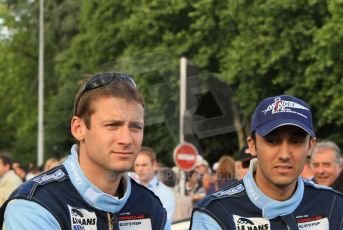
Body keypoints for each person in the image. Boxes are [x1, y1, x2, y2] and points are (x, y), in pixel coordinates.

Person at [0, 72, 169, 229]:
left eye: (135, 127)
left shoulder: (150, 206)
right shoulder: (36, 205)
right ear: (78, 128)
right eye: (112, 125)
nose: (126, 139)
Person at [190, 95, 343, 229]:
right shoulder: (215, 213)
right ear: (252, 145)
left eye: (296, 141)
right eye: (272, 141)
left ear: (310, 146)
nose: (284, 154)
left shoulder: (334, 205)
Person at [134, 147, 175, 224]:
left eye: (144, 165)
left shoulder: (166, 193)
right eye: (137, 165)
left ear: (154, 165)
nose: (140, 169)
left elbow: (165, 223)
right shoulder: (129, 190)